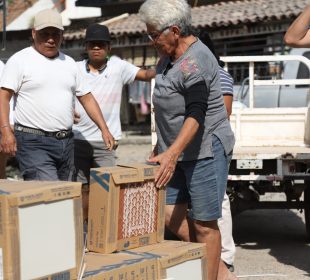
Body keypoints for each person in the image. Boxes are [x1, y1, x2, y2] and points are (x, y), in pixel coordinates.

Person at [139, 1, 235, 280]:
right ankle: (223, 275)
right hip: (176, 150)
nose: (152, 40)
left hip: (206, 149)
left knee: (205, 224)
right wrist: (162, 146)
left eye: (154, 34)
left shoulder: (197, 59)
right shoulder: (166, 58)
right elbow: (166, 107)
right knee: (169, 212)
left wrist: (171, 153)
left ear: (175, 30)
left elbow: (196, 111)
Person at [0, 9, 114, 181]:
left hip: (66, 143)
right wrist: (6, 132)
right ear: (34, 33)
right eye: (45, 34)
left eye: (56, 34)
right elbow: (3, 97)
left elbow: (87, 98)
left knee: (65, 197)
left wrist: (104, 129)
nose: (51, 39)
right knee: (49, 194)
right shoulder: (19, 60)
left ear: (62, 35)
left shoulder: (69, 63)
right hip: (33, 142)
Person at [73, 23, 155, 185]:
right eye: (92, 44)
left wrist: (170, 65)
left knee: (106, 188)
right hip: (77, 139)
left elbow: (146, 75)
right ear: (86, 47)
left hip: (106, 142)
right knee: (80, 188)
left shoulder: (118, 67)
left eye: (101, 44)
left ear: (109, 47)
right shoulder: (75, 69)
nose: (96, 48)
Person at [204, 33, 236, 272]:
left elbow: (224, 112)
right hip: (195, 145)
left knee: (218, 200)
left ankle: (225, 255)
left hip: (213, 142)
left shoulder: (221, 75)